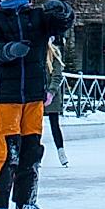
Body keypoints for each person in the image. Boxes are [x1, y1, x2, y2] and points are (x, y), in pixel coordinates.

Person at [0, 0, 75, 209]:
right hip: (7, 96)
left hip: (33, 96)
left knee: (31, 150)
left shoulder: (36, 18)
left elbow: (60, 25)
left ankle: (25, 202)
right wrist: (10, 50)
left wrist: (63, 12)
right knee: (8, 151)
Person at [45, 38, 69, 167]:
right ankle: (33, 155)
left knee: (54, 125)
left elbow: (57, 75)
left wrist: (51, 92)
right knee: (33, 127)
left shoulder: (54, 53)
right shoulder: (33, 52)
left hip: (51, 96)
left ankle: (61, 151)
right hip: (35, 94)